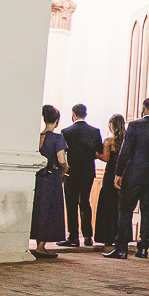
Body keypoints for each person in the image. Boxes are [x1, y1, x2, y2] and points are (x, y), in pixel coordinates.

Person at [103, 97, 149, 260]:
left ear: (143, 108)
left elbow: (126, 151)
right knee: (147, 212)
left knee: (125, 211)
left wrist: (118, 173)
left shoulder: (134, 126)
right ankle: (142, 249)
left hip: (133, 174)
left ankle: (121, 250)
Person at [58, 104, 103, 248]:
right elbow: (99, 152)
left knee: (71, 204)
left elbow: (62, 153)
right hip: (88, 172)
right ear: (85, 114)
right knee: (85, 202)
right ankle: (88, 237)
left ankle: (73, 237)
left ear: (73, 114)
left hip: (71, 172)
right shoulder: (94, 131)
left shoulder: (66, 131)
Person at [31, 105, 68, 258]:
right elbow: (61, 160)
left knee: (38, 209)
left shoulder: (38, 136)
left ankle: (35, 243)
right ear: (57, 121)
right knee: (49, 210)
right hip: (52, 178)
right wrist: (66, 168)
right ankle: (41, 246)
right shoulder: (58, 138)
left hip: (38, 177)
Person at [94, 113, 125, 250]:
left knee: (107, 204)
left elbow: (106, 158)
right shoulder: (126, 140)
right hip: (123, 173)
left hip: (110, 174)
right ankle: (120, 235)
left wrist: (94, 153)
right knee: (120, 205)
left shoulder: (108, 141)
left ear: (111, 125)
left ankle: (107, 237)